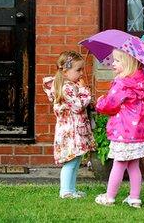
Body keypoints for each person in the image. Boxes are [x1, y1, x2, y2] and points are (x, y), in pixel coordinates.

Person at [94, 49, 144, 209]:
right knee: (133, 164)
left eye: (117, 61)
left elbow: (110, 105)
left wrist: (100, 103)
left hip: (123, 131)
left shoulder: (122, 83)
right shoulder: (141, 82)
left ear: (127, 63)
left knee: (119, 164)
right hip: (138, 131)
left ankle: (109, 197)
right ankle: (134, 198)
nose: (113, 63)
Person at [42, 51, 95, 199]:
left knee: (76, 160)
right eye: (78, 70)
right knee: (71, 161)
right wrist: (85, 90)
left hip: (73, 130)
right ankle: (65, 191)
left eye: (81, 69)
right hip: (70, 131)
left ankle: (71, 190)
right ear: (65, 71)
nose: (81, 73)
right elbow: (78, 106)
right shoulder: (66, 88)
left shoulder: (69, 85)